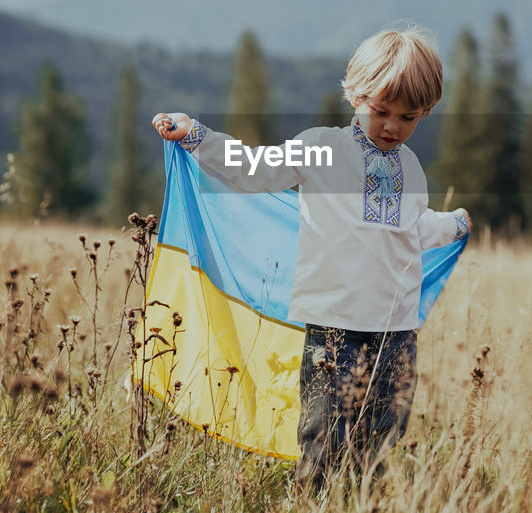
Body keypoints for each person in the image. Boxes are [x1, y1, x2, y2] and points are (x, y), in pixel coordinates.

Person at [151, 25, 470, 489]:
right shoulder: (324, 147)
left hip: (397, 330)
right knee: (325, 434)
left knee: (382, 436)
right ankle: (312, 499)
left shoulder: (412, 168)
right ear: (356, 94)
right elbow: (255, 169)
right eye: (381, 111)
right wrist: (198, 135)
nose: (392, 127)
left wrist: (454, 224)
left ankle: (361, 501)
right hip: (335, 326)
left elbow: (413, 228)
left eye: (409, 117)